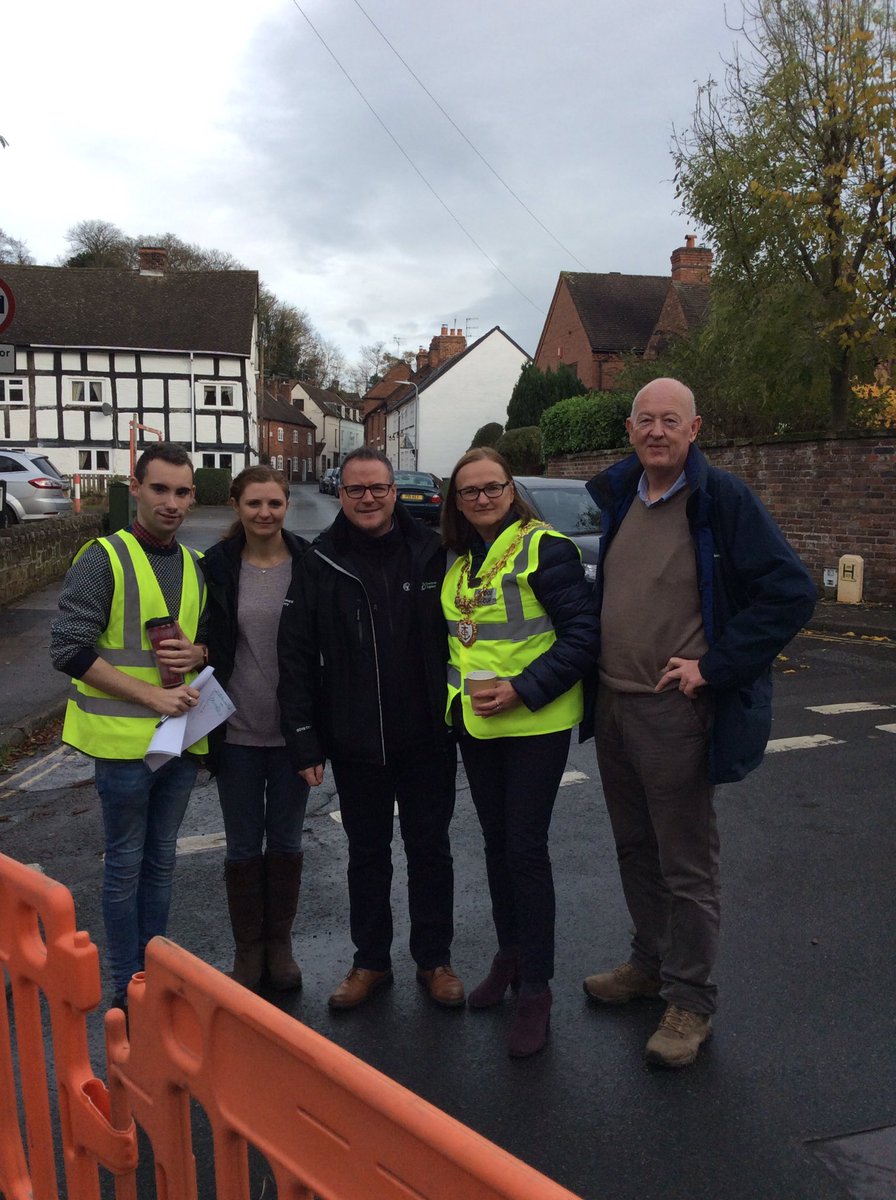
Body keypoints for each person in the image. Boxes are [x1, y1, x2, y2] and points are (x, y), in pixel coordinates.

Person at [583, 378, 816, 1068]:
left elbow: (791, 591)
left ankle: (691, 1001)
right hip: (613, 705)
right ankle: (649, 963)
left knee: (686, 864)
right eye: (646, 420)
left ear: (694, 429)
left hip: (671, 711)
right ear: (630, 429)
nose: (656, 431)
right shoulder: (623, 494)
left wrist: (714, 666)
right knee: (634, 851)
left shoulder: (722, 500)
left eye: (670, 421)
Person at [277, 447, 463, 1010]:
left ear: (394, 491)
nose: (367, 498)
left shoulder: (434, 552)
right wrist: (304, 738)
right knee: (367, 853)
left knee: (431, 851)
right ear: (343, 493)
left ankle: (435, 960)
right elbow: (297, 655)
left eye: (377, 488)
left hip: (429, 736)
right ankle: (370, 962)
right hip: (357, 740)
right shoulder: (320, 560)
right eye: (356, 489)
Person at [441, 448, 600, 1057]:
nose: (482, 498)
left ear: (511, 490)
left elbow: (584, 634)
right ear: (457, 502)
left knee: (526, 851)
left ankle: (536, 989)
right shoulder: (461, 561)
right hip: (478, 728)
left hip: (534, 723)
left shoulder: (547, 548)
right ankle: (509, 957)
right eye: (470, 491)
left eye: (492, 487)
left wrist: (523, 689)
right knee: (496, 846)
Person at [50, 441, 208, 1010]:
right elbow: (67, 649)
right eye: (159, 489)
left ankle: (153, 976)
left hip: (180, 746)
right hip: (122, 749)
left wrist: (199, 653)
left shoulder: (193, 565)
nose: (171, 502)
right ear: (135, 489)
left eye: (182, 491)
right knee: (123, 866)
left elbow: (200, 645)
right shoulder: (104, 557)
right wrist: (149, 695)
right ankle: (126, 988)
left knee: (161, 860)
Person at [201, 467, 310, 992]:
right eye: (254, 504)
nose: (265, 513)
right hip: (236, 729)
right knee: (243, 844)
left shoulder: (310, 564)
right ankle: (248, 948)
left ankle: (280, 944)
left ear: (287, 504)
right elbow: (202, 637)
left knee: (287, 838)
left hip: (292, 733)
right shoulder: (215, 567)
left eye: (274, 503)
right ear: (236, 505)